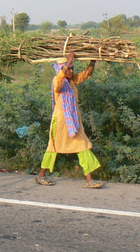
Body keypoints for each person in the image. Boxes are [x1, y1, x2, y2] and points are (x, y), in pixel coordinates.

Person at [36, 52, 104, 188]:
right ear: (62, 69)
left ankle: (89, 180)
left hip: (73, 121)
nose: (72, 71)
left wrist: (93, 60)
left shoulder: (72, 81)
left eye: (73, 68)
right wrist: (70, 60)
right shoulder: (58, 81)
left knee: (83, 146)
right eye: (69, 68)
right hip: (61, 122)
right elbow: (59, 81)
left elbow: (87, 74)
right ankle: (41, 175)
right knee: (53, 147)